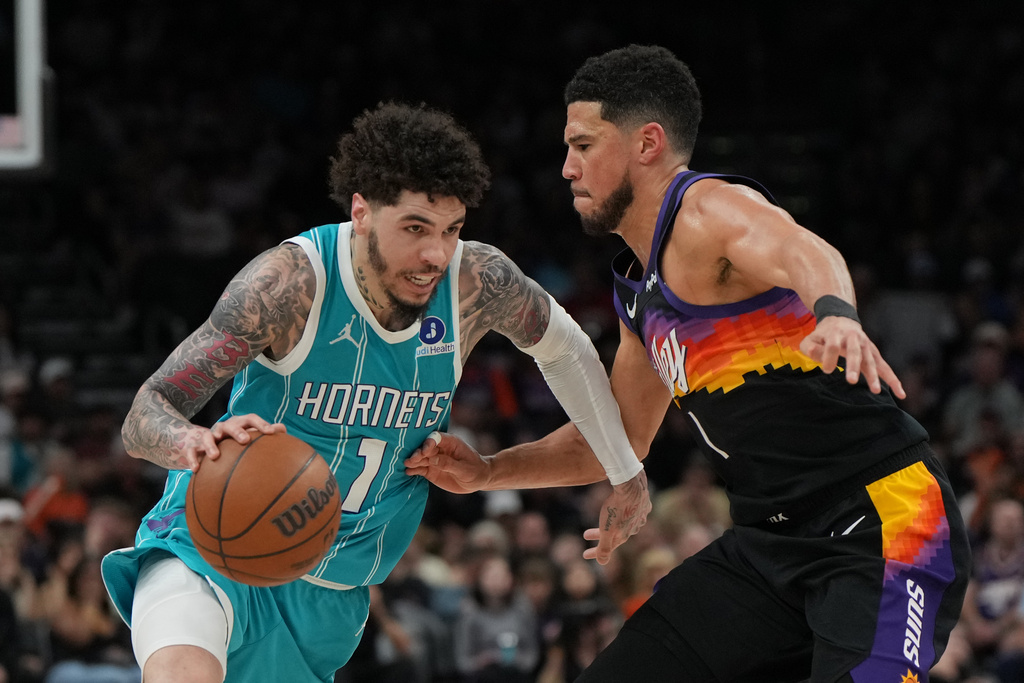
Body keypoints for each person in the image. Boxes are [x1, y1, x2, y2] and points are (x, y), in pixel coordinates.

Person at [406, 45, 972, 682]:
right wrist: (487, 472)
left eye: (584, 146)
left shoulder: (705, 213)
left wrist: (837, 313)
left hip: (885, 524)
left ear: (647, 143)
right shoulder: (636, 292)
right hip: (770, 545)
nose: (566, 169)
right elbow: (614, 442)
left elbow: (801, 248)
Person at [100, 102, 649, 683]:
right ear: (361, 211)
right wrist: (194, 441)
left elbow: (566, 350)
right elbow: (144, 415)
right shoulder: (290, 284)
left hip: (335, 589)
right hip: (208, 546)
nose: (436, 253)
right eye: (415, 228)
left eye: (452, 229)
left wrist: (623, 470)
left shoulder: (477, 283)